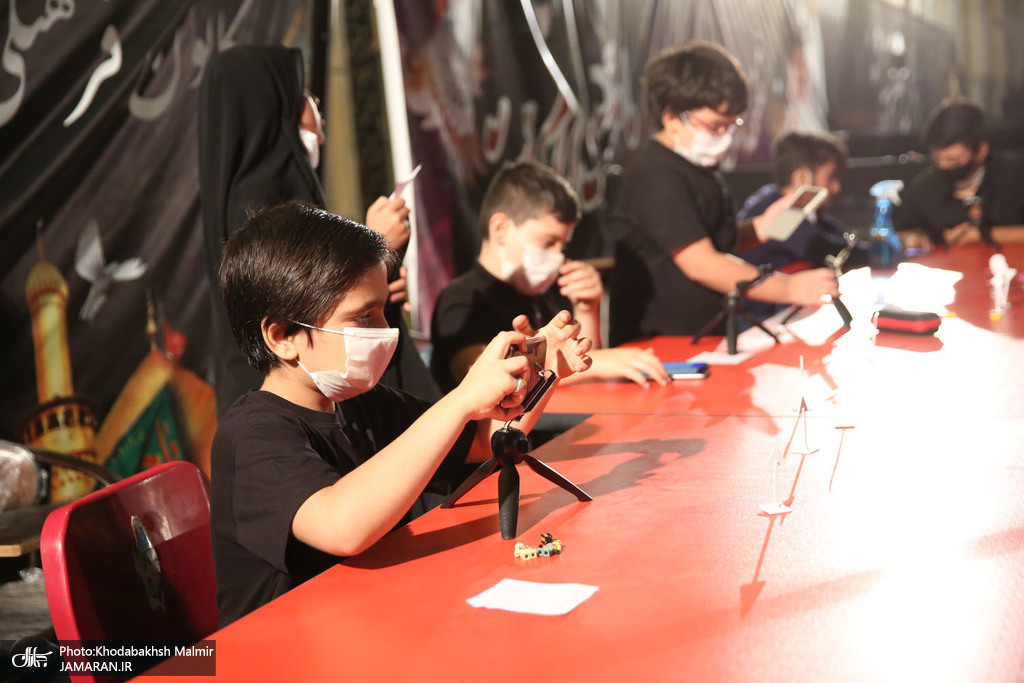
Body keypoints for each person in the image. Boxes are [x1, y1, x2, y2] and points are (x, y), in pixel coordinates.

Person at [210, 201, 592, 626]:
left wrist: (541, 375)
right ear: (283, 336)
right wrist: (461, 399)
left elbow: (485, 439)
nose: (385, 330)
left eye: (384, 310)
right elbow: (342, 527)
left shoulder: (364, 403)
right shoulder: (252, 437)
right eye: (363, 317)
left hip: (372, 619)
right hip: (280, 646)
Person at [198, 45, 433, 416]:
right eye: (303, 93)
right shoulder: (258, 205)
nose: (316, 104)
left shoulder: (257, 190)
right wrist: (377, 249)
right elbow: (302, 298)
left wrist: (378, 287)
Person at [608, 41, 837, 346]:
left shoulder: (697, 166)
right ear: (672, 117)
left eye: (731, 126)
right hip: (661, 344)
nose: (724, 138)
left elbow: (706, 237)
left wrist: (760, 228)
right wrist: (790, 288)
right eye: (715, 126)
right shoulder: (657, 176)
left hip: (705, 335)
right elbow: (702, 264)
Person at [430, 161, 668, 393]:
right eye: (548, 242)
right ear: (500, 229)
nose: (558, 257)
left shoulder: (546, 293)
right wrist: (598, 363)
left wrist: (586, 308)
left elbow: (583, 371)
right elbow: (480, 380)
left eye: (563, 245)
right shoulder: (462, 299)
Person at [894, 97, 1024, 250]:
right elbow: (895, 232)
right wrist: (912, 237)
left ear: (981, 151)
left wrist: (984, 235)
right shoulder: (924, 188)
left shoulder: (1015, 176)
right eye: (936, 158)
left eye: (953, 160)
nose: (943, 165)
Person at [738, 131, 865, 271]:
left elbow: (838, 236)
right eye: (831, 178)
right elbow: (824, 251)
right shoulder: (778, 213)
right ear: (802, 177)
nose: (837, 188)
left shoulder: (779, 200)